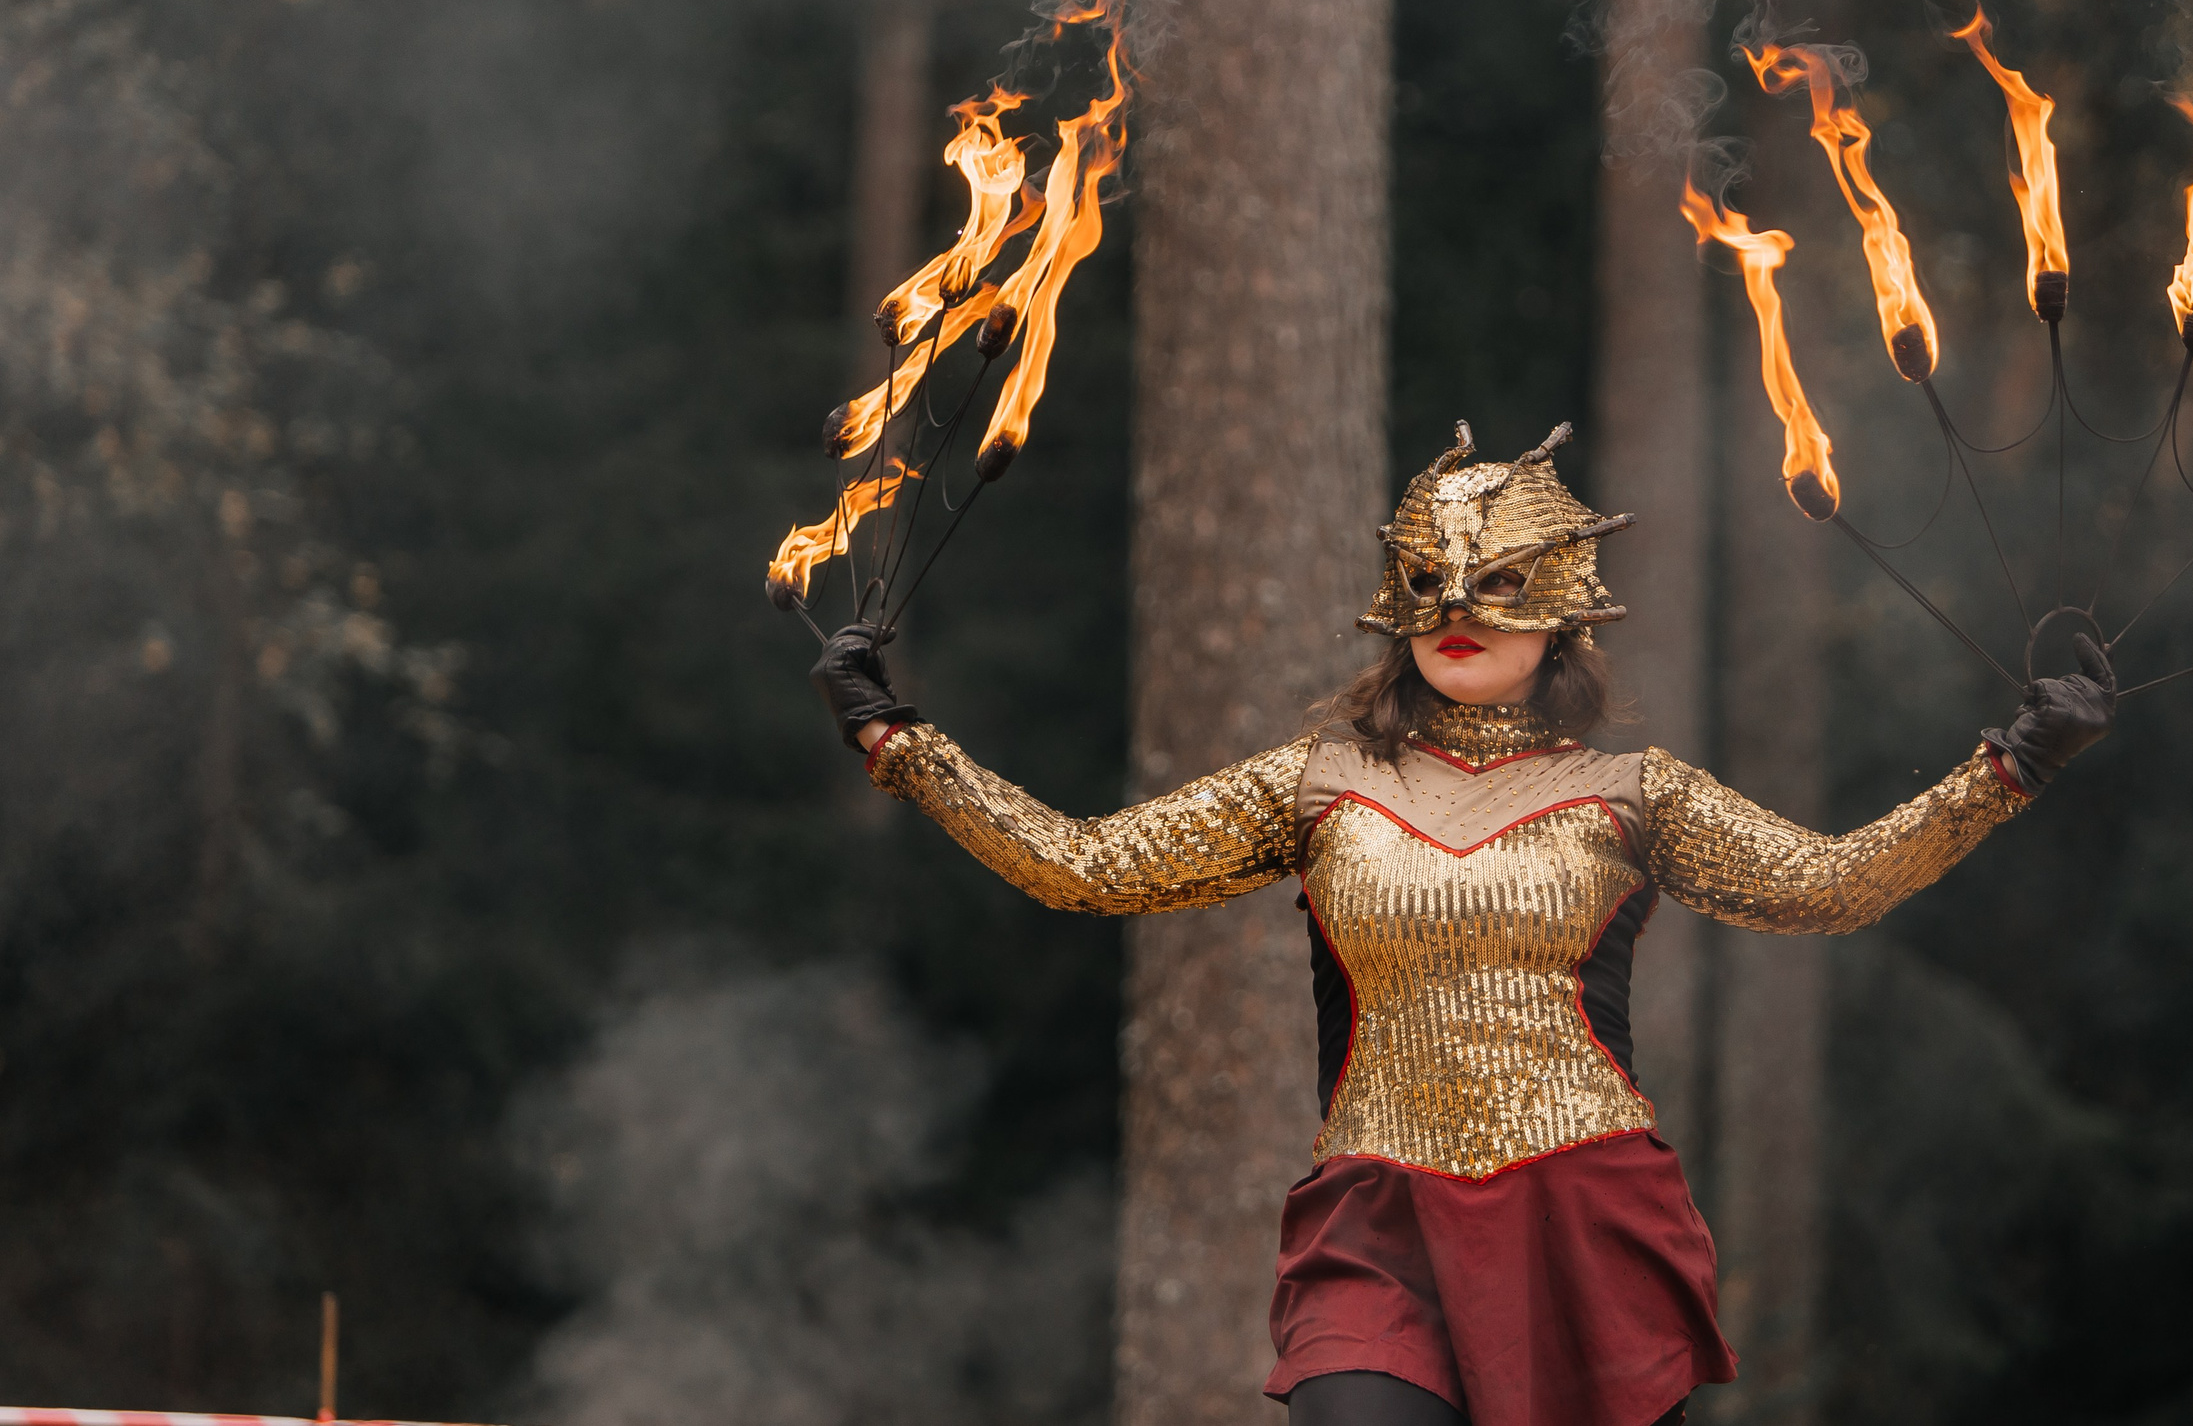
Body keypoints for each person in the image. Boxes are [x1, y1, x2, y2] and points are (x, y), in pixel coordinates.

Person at [810, 421, 2115, 1426]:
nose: (1457, 610)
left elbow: (1833, 886)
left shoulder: (1631, 795)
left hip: (1580, 1221)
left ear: (1562, 610)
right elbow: (1083, 867)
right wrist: (898, 741)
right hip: (1375, 1227)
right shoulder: (1314, 783)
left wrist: (2008, 770)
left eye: (1495, 584)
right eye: (1431, 581)